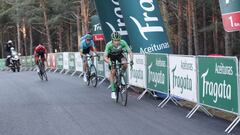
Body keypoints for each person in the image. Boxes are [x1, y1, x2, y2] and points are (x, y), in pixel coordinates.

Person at [104, 32, 133, 99]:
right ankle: (113, 91)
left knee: (125, 63)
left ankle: (121, 74)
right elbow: (104, 57)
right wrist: (109, 62)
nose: (117, 42)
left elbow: (130, 52)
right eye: (115, 40)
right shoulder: (109, 45)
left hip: (119, 55)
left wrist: (131, 60)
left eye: (118, 40)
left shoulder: (123, 42)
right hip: (111, 57)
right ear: (112, 40)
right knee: (113, 71)